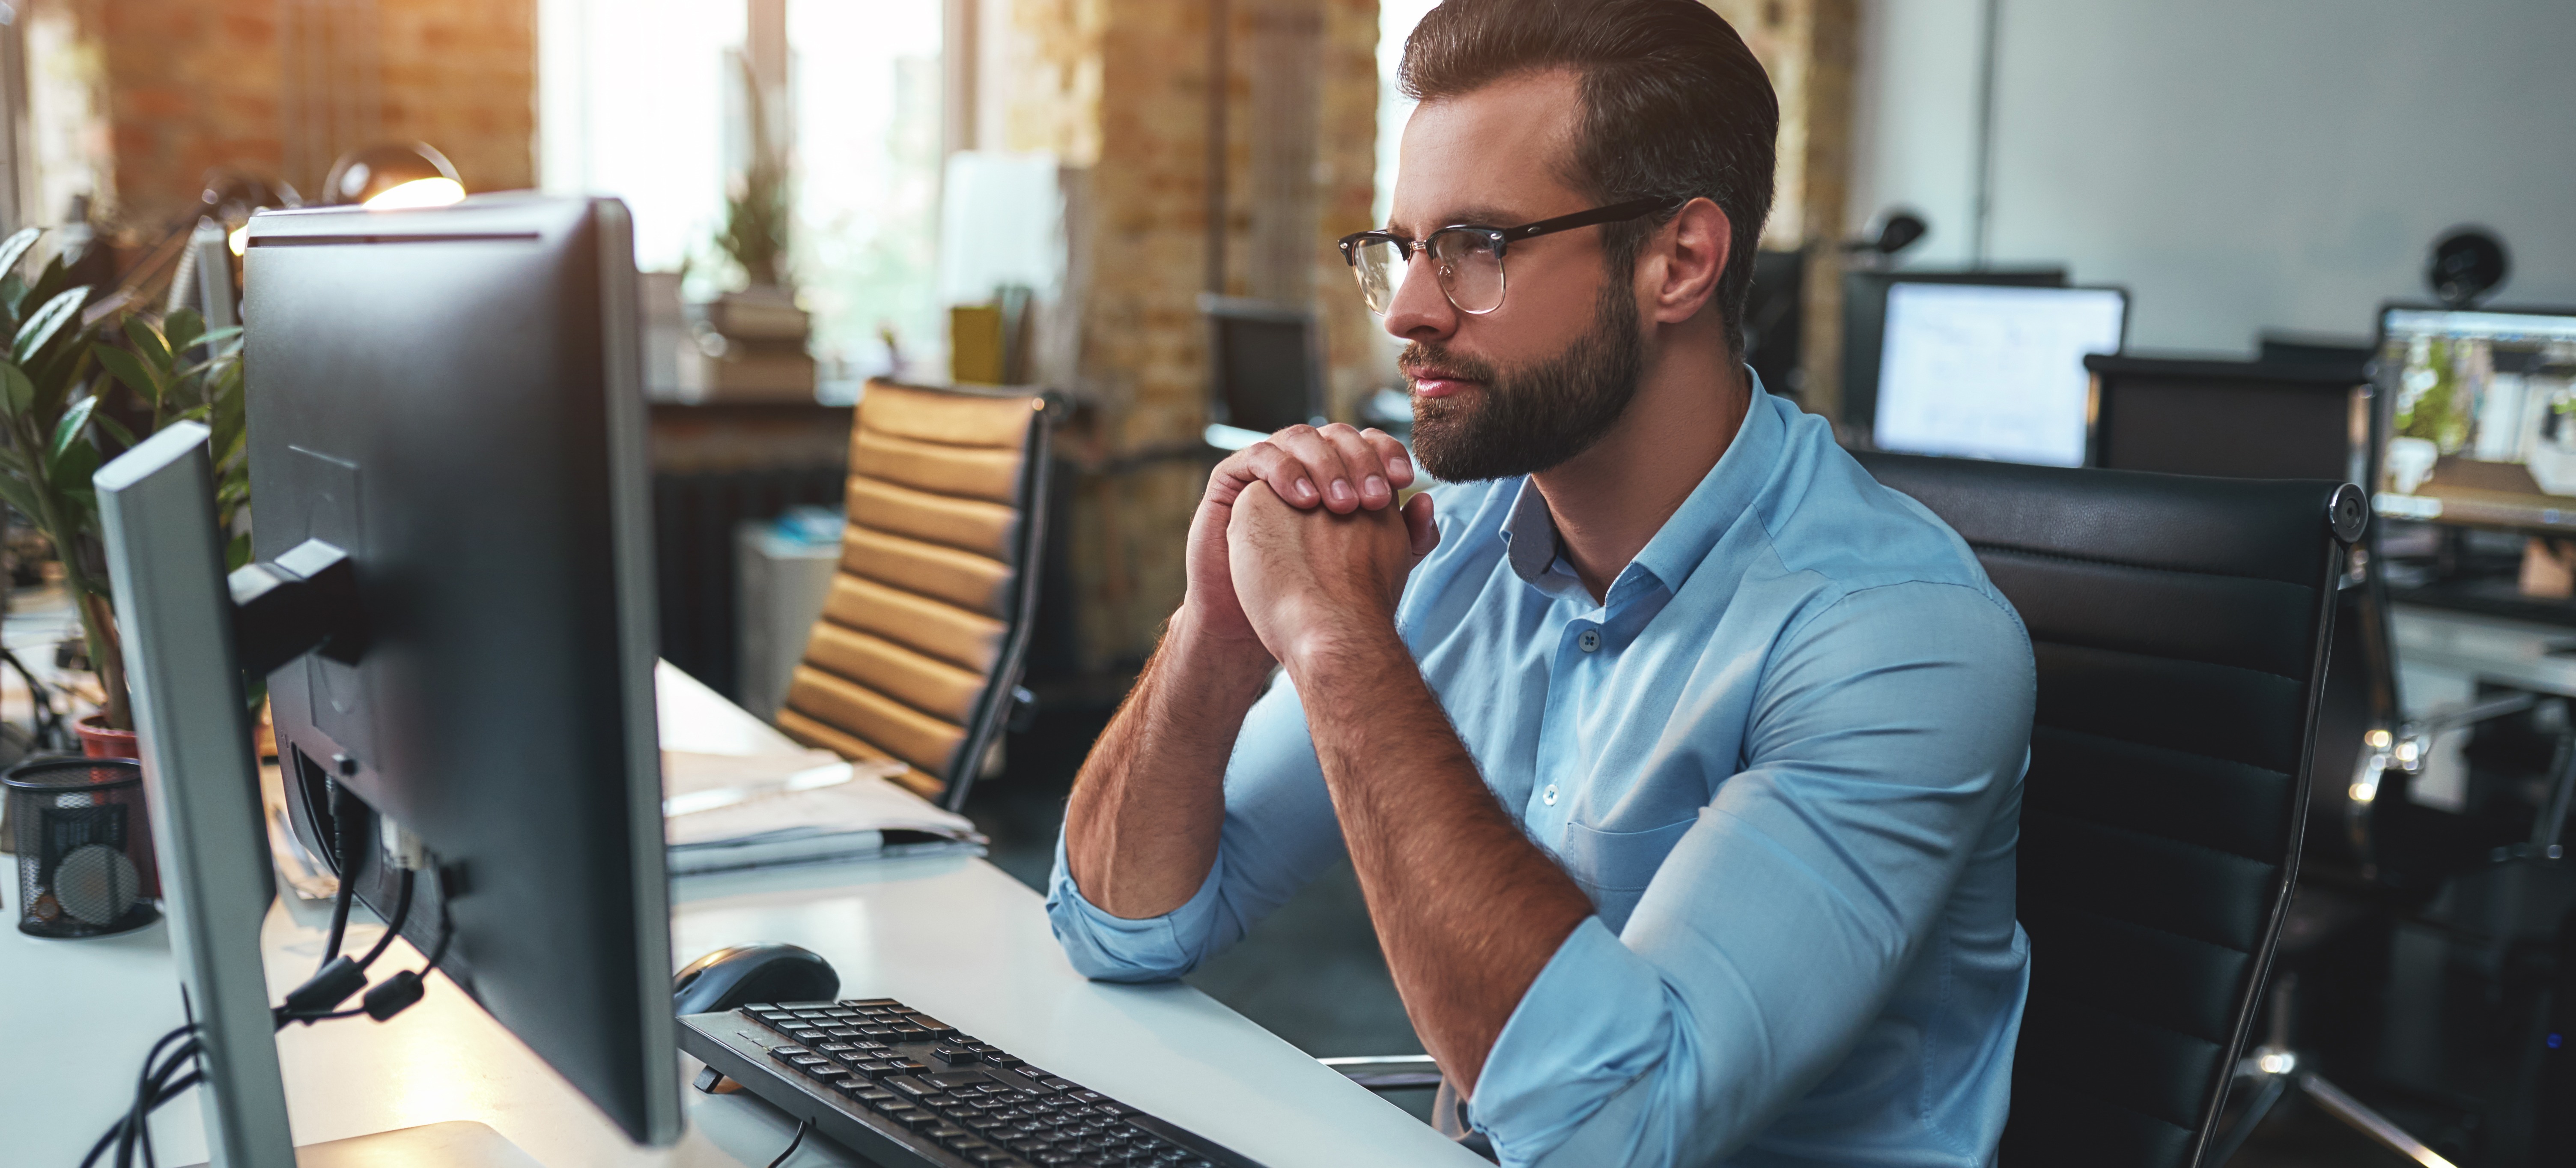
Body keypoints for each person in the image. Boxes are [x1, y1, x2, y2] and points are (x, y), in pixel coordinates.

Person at [1046, 0, 2035, 1163]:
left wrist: (1336, 643)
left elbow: (1606, 1133)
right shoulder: (1448, 544)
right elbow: (1121, 926)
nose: (1410, 312)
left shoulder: (1897, 635)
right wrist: (1216, 634)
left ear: (1679, 262)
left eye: (1478, 250)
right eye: (1403, 250)